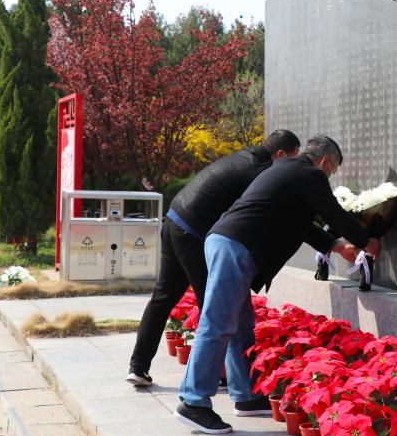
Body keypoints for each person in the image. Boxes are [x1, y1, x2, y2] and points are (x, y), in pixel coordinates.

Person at [174, 135, 381, 434]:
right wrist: (366, 241)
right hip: (235, 247)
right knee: (217, 323)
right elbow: (333, 213)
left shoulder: (287, 171)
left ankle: (245, 395)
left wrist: (337, 246)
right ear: (325, 162)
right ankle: (193, 402)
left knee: (241, 323)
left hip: (230, 244)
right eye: (332, 171)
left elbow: (301, 225)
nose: (329, 177)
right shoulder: (309, 173)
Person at [125, 130, 302, 387]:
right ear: (280, 155)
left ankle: (138, 367)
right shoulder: (261, 171)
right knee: (215, 306)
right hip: (193, 232)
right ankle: (217, 375)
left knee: (163, 298)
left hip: (174, 220)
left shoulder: (246, 156)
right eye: (291, 161)